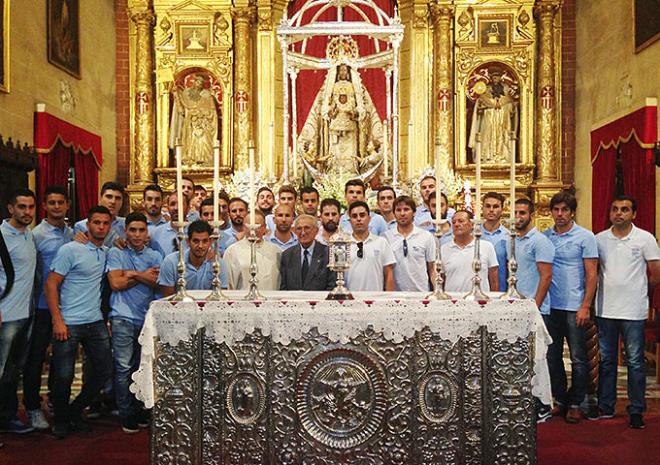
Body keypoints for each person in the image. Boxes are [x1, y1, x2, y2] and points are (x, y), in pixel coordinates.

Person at [591, 196, 660, 429]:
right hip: (605, 309)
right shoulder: (599, 239)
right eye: (615, 209)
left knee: (635, 362)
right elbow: (593, 272)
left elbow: (655, 273)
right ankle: (606, 406)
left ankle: (637, 409)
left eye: (624, 210)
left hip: (634, 310)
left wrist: (637, 291)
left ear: (634, 214)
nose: (618, 213)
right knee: (607, 361)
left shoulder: (645, 238)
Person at [46, 206, 114, 439]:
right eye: (97, 223)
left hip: (94, 321)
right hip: (70, 321)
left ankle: (75, 410)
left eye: (106, 223)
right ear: (88, 225)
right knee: (64, 375)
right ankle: (61, 419)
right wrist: (57, 319)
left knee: (105, 370)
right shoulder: (70, 250)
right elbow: (51, 284)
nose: (101, 227)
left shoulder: (105, 252)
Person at [543, 190, 598, 424]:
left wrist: (585, 305)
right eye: (556, 209)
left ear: (572, 212)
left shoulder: (585, 237)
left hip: (575, 305)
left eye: (565, 210)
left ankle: (576, 402)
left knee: (578, 357)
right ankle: (560, 399)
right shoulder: (546, 237)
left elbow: (592, 274)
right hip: (551, 306)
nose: (560, 214)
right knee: (552, 356)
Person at [23, 186, 73, 431]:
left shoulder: (72, 234)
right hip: (42, 306)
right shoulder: (36, 235)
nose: (56, 207)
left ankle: (55, 400)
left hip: (67, 306)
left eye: (60, 202)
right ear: (44, 205)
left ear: (67, 205)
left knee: (61, 358)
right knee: (36, 358)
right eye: (51, 202)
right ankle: (32, 406)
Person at [106, 213, 161, 433]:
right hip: (122, 316)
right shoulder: (116, 252)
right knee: (123, 367)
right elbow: (116, 283)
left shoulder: (155, 255)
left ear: (146, 233)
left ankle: (140, 409)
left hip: (146, 317)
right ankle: (126, 413)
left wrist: (131, 273)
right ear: (126, 231)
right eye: (132, 230)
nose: (137, 235)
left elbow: (157, 281)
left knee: (142, 366)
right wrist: (141, 275)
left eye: (141, 230)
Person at [512, 198, 555, 422]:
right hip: (516, 308)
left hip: (534, 308)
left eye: (522, 213)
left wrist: (534, 306)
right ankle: (526, 400)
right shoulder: (514, 240)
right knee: (520, 358)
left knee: (538, 357)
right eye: (515, 213)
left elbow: (546, 276)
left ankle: (543, 403)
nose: (518, 217)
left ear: (531, 215)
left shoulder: (540, 241)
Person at [0, 189, 37, 435]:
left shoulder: (29, 235)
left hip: (25, 313)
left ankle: (8, 416)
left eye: (31, 207)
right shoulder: (1, 235)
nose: (27, 212)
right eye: (22, 207)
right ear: (10, 208)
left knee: (12, 371)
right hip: (5, 315)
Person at [158, 220, 227, 297]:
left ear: (210, 242)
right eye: (196, 241)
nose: (200, 246)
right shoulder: (171, 262)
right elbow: (168, 299)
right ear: (188, 241)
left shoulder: (218, 263)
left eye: (204, 241)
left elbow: (221, 297)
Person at [384, 196, 435, 291]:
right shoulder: (386, 238)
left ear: (414, 212)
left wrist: (437, 291)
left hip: (421, 293)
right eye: (398, 210)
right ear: (394, 213)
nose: (402, 213)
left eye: (406, 209)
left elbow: (432, 268)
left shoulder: (426, 236)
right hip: (395, 295)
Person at [468, 68, 518, 164]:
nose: (496, 79)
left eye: (497, 77)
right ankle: (487, 156)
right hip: (489, 117)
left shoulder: (506, 89)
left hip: (503, 117)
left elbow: (511, 104)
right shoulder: (485, 90)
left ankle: (503, 156)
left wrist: (506, 104)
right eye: (494, 77)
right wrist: (490, 104)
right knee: (487, 134)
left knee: (503, 135)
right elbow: (480, 103)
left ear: (500, 78)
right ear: (491, 78)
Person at [442, 210, 499, 292]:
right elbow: (441, 279)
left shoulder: (486, 246)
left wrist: (494, 301)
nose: (456, 224)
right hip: (453, 301)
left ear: (472, 224)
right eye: (454, 222)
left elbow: (494, 280)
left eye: (461, 221)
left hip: (480, 301)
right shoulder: (444, 249)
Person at [224, 210, 282, 290]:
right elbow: (228, 283)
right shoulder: (232, 251)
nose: (253, 229)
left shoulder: (276, 251)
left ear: (265, 227)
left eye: (258, 225)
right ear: (244, 227)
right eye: (249, 225)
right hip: (241, 300)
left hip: (271, 300)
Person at [344, 201, 395, 292]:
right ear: (350, 220)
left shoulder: (381, 242)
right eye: (354, 216)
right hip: (349, 300)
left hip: (376, 300)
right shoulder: (343, 245)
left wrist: (388, 299)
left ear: (369, 218)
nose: (359, 219)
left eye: (362, 215)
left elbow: (389, 273)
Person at [169, 74, 218, 166]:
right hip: (189, 123)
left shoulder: (207, 95)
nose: (198, 84)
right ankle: (189, 160)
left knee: (204, 143)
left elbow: (212, 112)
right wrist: (177, 96)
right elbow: (181, 111)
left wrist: (201, 112)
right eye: (197, 81)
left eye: (201, 82)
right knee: (188, 142)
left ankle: (204, 161)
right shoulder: (185, 94)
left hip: (203, 124)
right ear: (193, 82)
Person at [280, 214, 336, 291]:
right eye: (299, 229)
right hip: (294, 301)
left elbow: (332, 286)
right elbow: (283, 287)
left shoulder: (328, 254)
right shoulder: (287, 255)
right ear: (295, 231)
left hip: (320, 301)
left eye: (307, 228)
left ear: (316, 230)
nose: (303, 232)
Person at [73, 182, 126, 247]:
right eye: (109, 197)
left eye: (117, 198)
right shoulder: (81, 226)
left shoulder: (126, 224)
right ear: (100, 198)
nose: (113, 202)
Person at [480, 192, 509, 291]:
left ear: (502, 210)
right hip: (478, 289)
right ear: (482, 209)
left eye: (495, 206)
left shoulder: (508, 236)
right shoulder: (474, 235)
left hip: (501, 291)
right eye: (488, 206)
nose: (491, 210)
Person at [150, 191, 190, 257]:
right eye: (172, 204)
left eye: (180, 204)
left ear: (188, 207)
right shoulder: (155, 233)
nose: (176, 208)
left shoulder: (195, 231)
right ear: (167, 207)